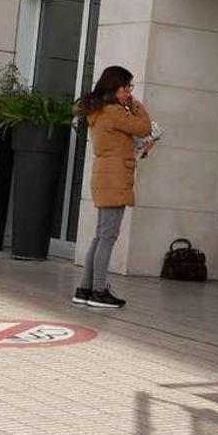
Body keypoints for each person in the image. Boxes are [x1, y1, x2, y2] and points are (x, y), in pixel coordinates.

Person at [71, 66, 154, 309]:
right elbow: (145, 127)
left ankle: (85, 289)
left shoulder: (100, 110)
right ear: (113, 88)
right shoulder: (114, 112)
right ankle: (97, 290)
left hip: (106, 176)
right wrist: (137, 104)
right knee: (107, 237)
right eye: (126, 88)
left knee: (101, 236)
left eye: (131, 88)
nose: (129, 92)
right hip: (114, 178)